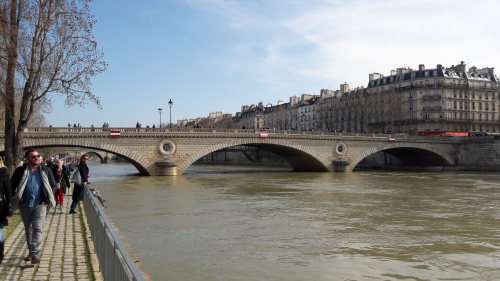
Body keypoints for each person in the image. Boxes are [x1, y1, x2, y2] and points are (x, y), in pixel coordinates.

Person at [11, 149, 56, 264]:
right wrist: (18, 202)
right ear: (27, 159)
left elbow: (53, 185)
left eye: (38, 156)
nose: (37, 158)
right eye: (33, 157)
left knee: (37, 228)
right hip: (24, 205)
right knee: (29, 229)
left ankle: (35, 254)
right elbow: (11, 187)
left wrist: (46, 200)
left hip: (40, 204)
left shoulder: (46, 170)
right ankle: (32, 252)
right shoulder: (20, 171)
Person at [0, 157, 12, 264]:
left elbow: (8, 193)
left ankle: (0, 255)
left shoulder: (4, 174)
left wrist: (9, 210)